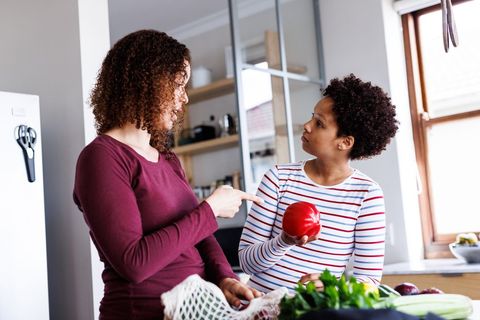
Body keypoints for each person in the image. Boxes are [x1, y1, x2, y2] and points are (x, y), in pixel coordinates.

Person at [73, 30, 262, 320]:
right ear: (145, 84)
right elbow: (133, 263)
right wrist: (209, 210)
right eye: (177, 85)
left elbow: (202, 237)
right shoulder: (102, 157)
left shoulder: (169, 159)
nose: (184, 97)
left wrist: (226, 279)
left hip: (197, 310)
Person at [238, 74, 399, 293]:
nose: (307, 125)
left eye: (319, 123)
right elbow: (247, 263)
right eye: (312, 117)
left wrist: (334, 287)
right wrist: (284, 241)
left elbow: (369, 281)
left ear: (345, 142)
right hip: (259, 310)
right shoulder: (278, 179)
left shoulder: (366, 195)